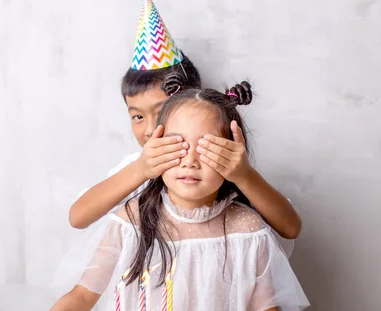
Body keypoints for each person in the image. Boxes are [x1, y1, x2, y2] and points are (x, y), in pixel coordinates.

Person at [0, 83, 309, 311]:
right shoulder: (131, 221)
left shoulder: (247, 228)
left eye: (208, 148)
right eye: (177, 145)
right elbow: (84, 294)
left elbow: (264, 310)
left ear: (234, 154)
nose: (190, 160)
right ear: (156, 146)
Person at [68, 0, 302, 245]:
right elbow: (78, 217)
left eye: (160, 114)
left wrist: (243, 175)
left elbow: (290, 227)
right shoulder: (135, 167)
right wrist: (141, 169)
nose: (148, 130)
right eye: (137, 116)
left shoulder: (216, 165)